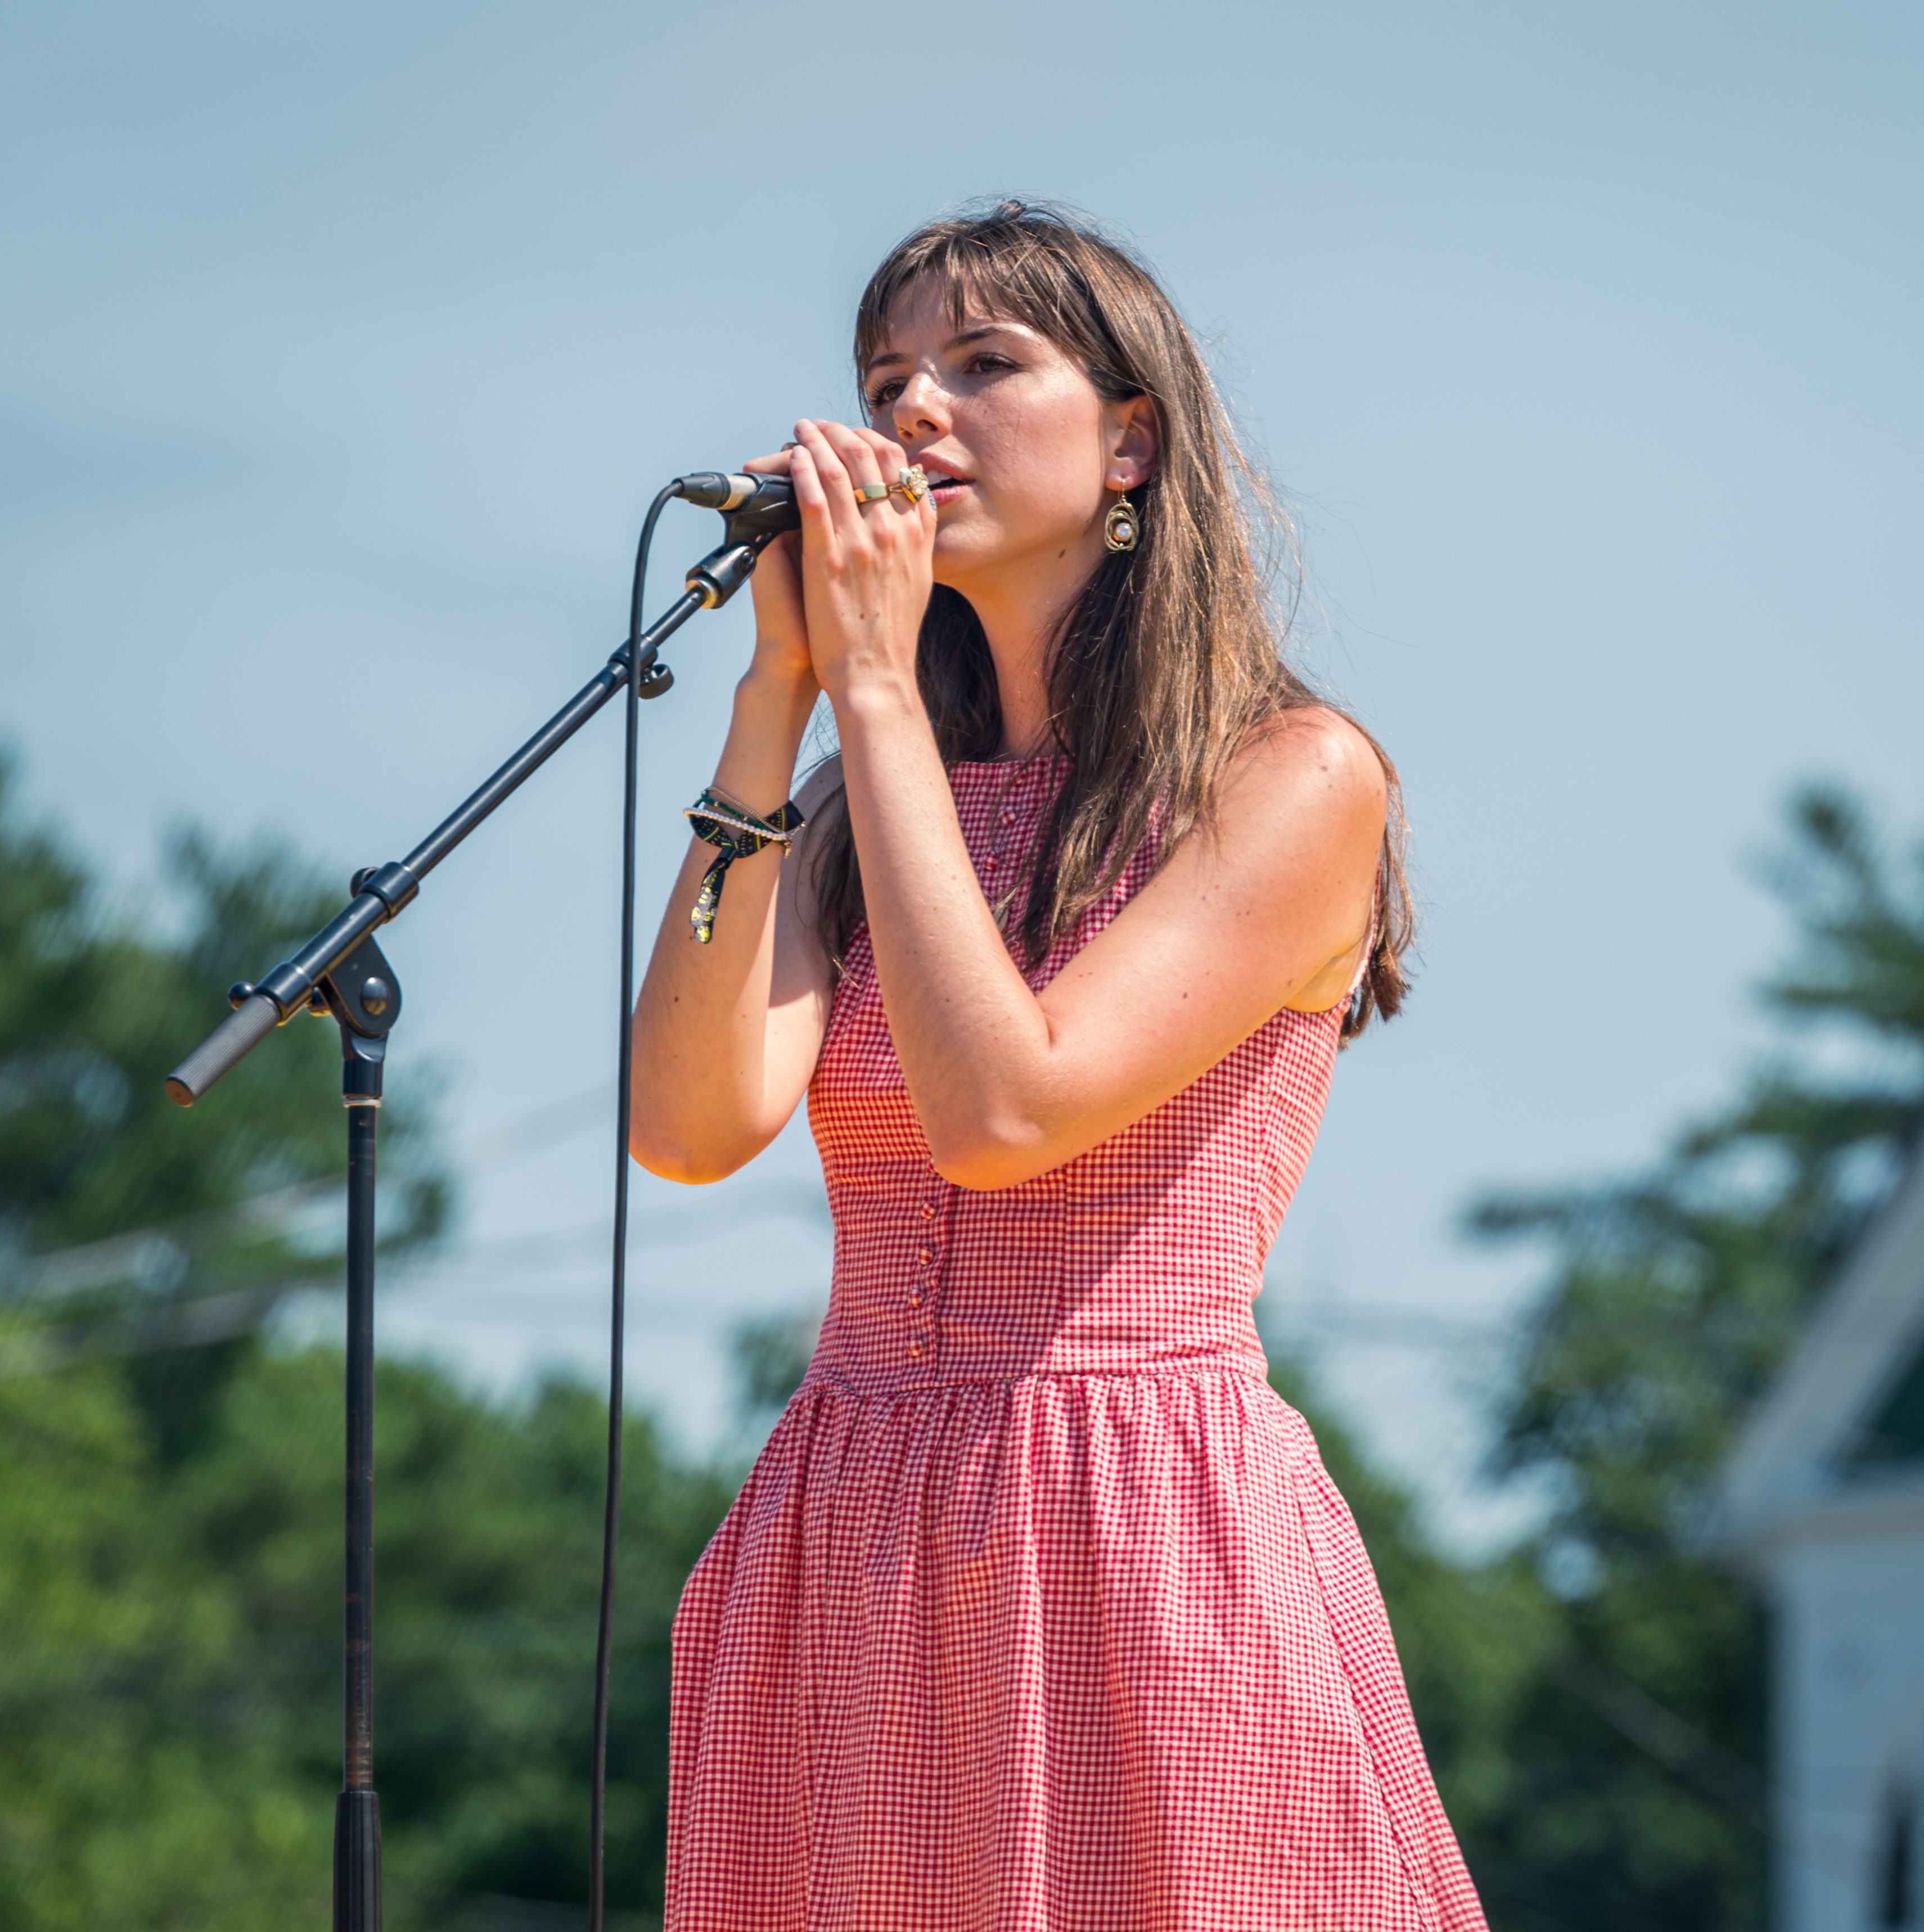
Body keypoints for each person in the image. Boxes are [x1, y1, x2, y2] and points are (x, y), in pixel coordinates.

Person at [632, 200, 1486, 1931]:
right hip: (855, 1539)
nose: (911, 414)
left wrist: (874, 702)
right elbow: (689, 1125)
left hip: (1139, 1535)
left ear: (1131, 439)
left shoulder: (1292, 779)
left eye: (982, 362)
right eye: (886, 377)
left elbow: (1005, 1111)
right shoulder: (857, 808)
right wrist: (776, 702)